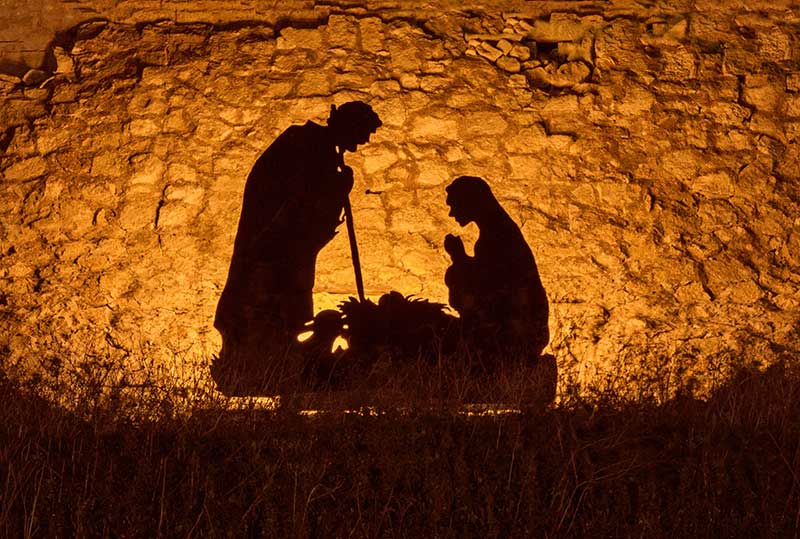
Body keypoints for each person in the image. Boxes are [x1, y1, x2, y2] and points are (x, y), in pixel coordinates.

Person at [212, 101, 382, 396]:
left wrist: (335, 190)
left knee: (289, 314)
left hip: (291, 253)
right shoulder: (305, 145)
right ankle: (260, 373)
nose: (359, 145)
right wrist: (335, 191)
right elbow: (296, 204)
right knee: (270, 311)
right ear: (347, 126)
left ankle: (283, 372)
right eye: (360, 135)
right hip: (274, 254)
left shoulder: (320, 150)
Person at [443, 176, 549, 363]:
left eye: (455, 205)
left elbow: (488, 288)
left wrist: (459, 258)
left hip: (516, 332)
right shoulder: (497, 232)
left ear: (470, 202)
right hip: (518, 326)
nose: (452, 213)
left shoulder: (497, 236)